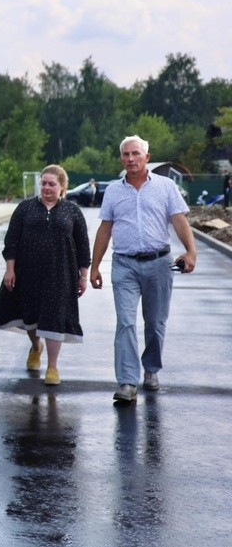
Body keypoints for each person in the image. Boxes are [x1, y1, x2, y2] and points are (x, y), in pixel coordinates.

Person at [90, 134, 197, 404]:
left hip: (159, 264)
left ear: (146, 158)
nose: (130, 159)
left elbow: (179, 221)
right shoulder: (114, 190)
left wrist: (191, 251)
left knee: (155, 323)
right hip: (124, 264)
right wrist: (94, 267)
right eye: (126, 154)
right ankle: (127, 381)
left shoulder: (165, 187)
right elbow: (105, 229)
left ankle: (151, 370)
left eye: (135, 154)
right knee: (125, 322)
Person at [0, 165, 91, 386]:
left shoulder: (72, 211)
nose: (46, 188)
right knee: (30, 316)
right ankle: (35, 346)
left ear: (62, 187)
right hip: (28, 272)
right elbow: (11, 241)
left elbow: (83, 245)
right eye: (43, 183)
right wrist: (10, 269)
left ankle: (52, 366)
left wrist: (84, 275)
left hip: (60, 274)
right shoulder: (25, 209)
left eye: (52, 184)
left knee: (55, 318)